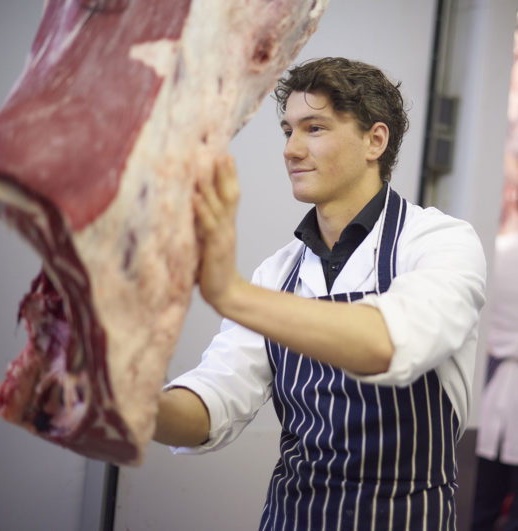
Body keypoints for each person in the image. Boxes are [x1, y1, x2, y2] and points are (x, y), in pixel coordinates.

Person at [153, 57, 486, 530]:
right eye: (287, 130)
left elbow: (385, 342)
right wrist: (137, 408)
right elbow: (214, 401)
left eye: (314, 128)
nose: (291, 149)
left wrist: (229, 292)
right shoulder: (278, 274)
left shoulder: (439, 243)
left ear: (376, 140)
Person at [471, 195, 518, 530]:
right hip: (494, 388)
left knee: (483, 502)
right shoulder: (500, 252)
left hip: (490, 386)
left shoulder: (495, 250)